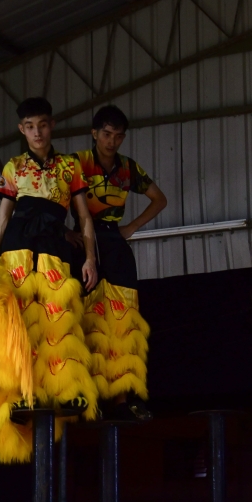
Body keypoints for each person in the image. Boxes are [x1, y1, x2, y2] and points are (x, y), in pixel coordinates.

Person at [70, 105, 167, 421]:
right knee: (86, 318)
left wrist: (131, 227)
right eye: (107, 134)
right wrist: (65, 233)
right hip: (82, 243)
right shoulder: (77, 163)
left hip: (114, 242)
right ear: (94, 133)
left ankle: (122, 399)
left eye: (118, 136)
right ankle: (87, 396)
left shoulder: (128, 167)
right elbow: (52, 200)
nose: (112, 141)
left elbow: (160, 199)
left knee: (122, 320)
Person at [0, 96, 98, 292]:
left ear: (51, 125)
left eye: (42, 125)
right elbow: (2, 218)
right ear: (22, 129)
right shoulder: (14, 166)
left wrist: (90, 259)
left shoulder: (70, 165)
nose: (37, 133)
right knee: (19, 303)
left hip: (54, 243)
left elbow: (84, 216)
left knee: (57, 303)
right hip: (18, 244)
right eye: (30, 127)